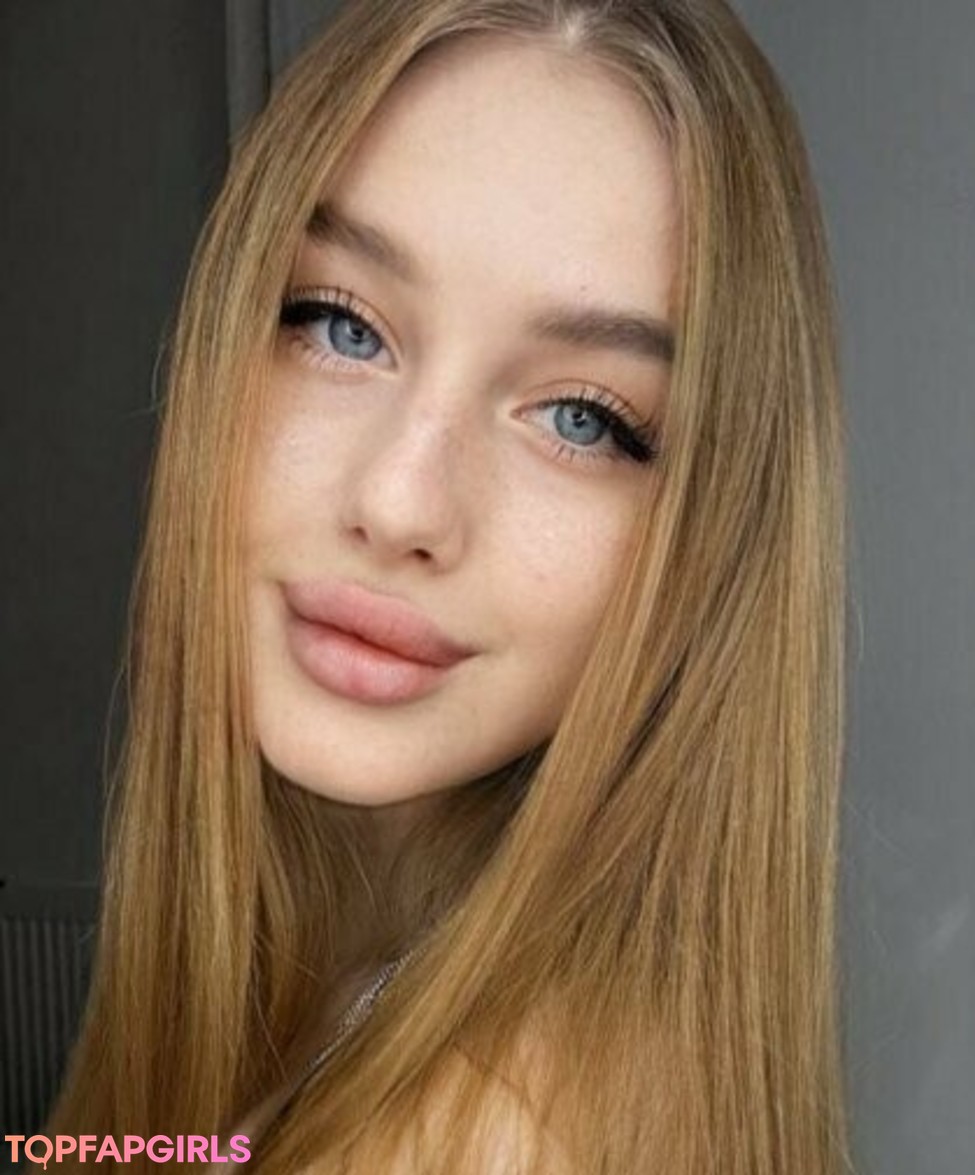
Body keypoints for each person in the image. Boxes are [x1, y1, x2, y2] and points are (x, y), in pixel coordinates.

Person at [47, 1, 849, 1172]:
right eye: (339, 325)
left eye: (583, 418)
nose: (402, 502)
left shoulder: (492, 1134)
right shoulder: (366, 990)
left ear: (709, 545)